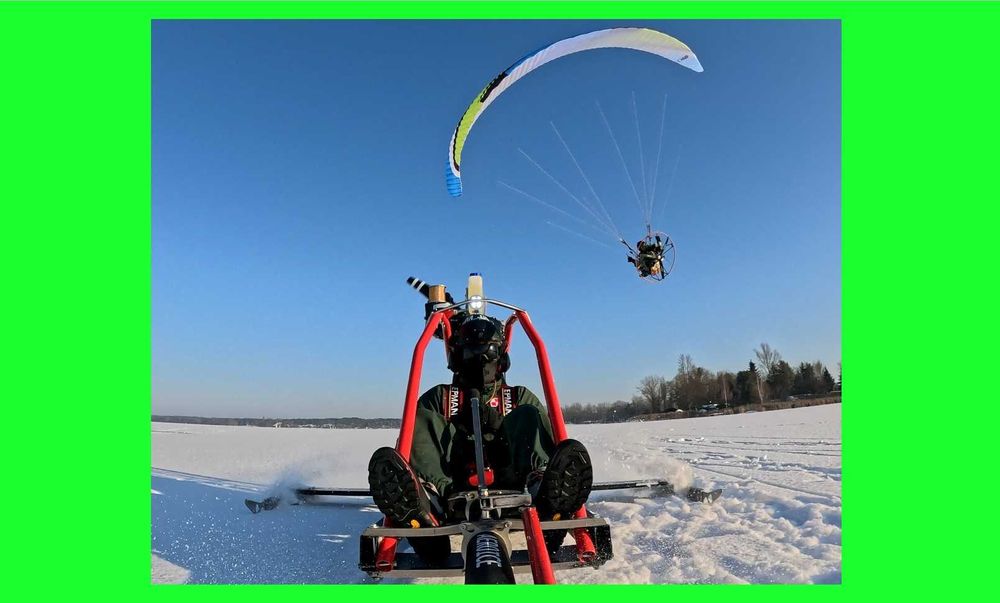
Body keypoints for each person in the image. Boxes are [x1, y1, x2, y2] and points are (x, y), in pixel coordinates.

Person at [367, 314, 593, 533]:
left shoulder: (517, 397)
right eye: (472, 352)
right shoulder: (440, 397)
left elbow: (540, 438)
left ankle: (543, 491)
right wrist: (458, 429)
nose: (481, 359)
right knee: (420, 418)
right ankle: (426, 502)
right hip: (450, 487)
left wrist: (499, 427)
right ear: (458, 357)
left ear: (501, 358)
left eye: (489, 352)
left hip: (513, 482)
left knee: (530, 415)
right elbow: (415, 442)